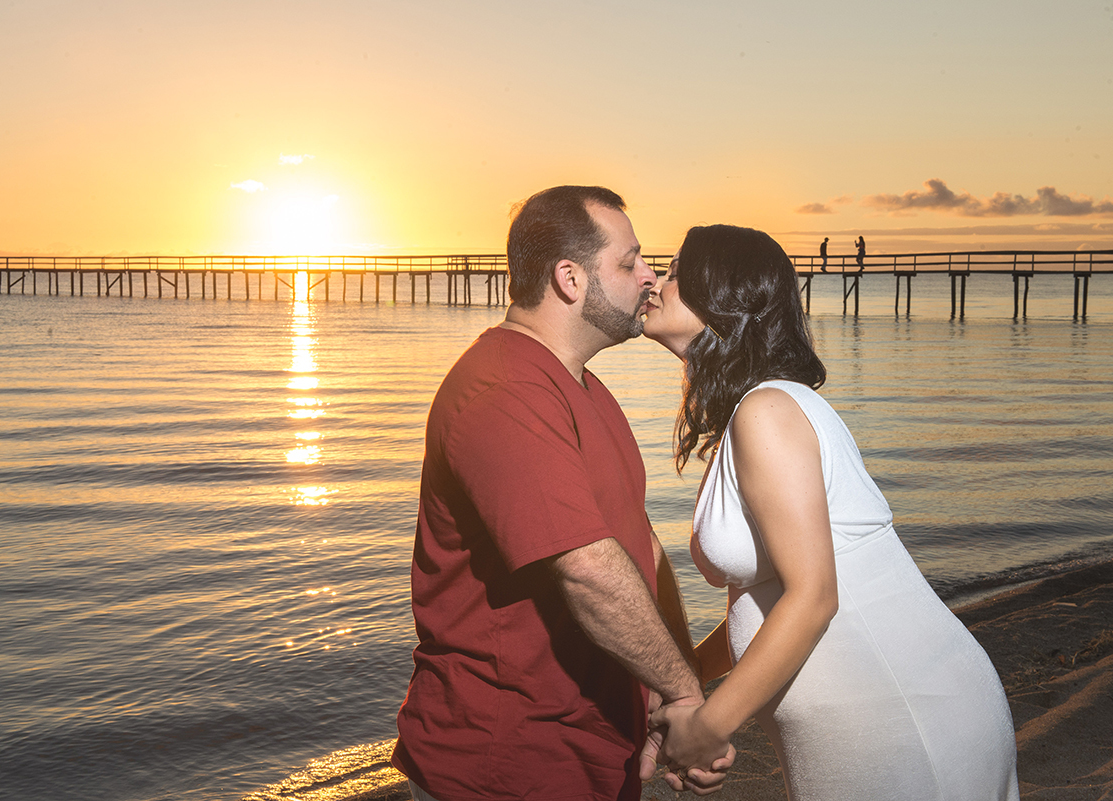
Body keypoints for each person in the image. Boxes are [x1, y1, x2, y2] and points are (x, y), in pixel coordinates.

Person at [640, 224, 1019, 800]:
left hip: (897, 713)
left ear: (723, 294)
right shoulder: (758, 409)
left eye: (673, 271)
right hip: (865, 717)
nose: (654, 282)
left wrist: (710, 726)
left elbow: (814, 595)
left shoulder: (767, 409)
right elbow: (764, 595)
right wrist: (690, 675)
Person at [391, 186, 733, 800]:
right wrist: (685, 695)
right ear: (570, 279)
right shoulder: (504, 389)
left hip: (592, 755)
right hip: (504, 764)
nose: (649, 276)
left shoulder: (584, 389)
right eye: (629, 263)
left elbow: (640, 550)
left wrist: (667, 693)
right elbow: (586, 567)